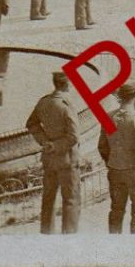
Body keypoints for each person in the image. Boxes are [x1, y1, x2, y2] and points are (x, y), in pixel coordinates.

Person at [26, 71, 81, 233]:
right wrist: (56, 145)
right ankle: (69, 238)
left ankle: (47, 234)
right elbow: (73, 137)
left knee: (48, 199)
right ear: (67, 85)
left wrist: (45, 142)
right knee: (71, 200)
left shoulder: (43, 102)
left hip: (49, 159)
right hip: (67, 161)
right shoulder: (66, 105)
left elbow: (31, 124)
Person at [98, 83, 135, 233]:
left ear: (119, 97)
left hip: (115, 170)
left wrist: (111, 163)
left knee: (116, 210)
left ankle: (115, 245)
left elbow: (102, 147)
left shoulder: (109, 118)